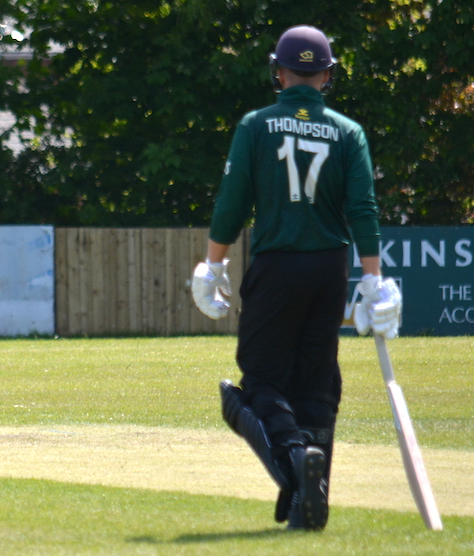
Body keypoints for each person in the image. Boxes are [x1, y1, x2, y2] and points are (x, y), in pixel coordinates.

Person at [190, 26, 402, 531]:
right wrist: (373, 280)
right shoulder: (348, 132)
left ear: (278, 71)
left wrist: (212, 264)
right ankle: (314, 494)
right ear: (327, 74)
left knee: (259, 381)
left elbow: (232, 204)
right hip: (329, 267)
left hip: (277, 264)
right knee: (316, 380)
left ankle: (294, 465)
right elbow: (364, 211)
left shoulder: (256, 125)